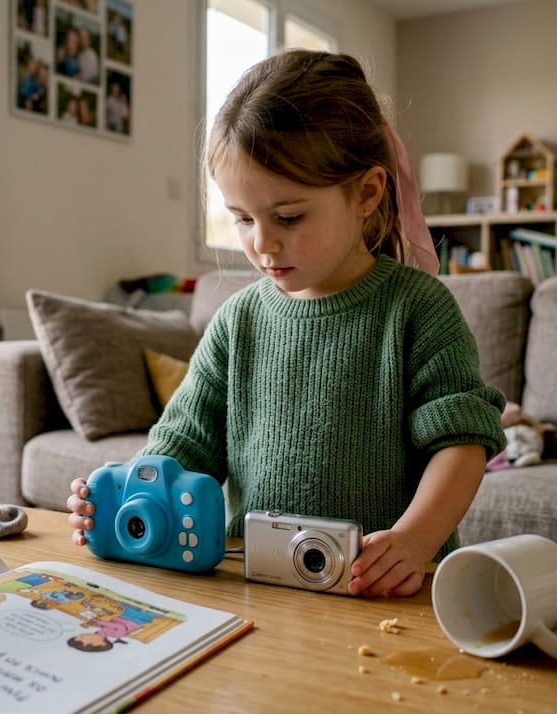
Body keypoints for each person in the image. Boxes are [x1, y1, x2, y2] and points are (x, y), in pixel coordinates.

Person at [66, 49, 506, 598]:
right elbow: (184, 439)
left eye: (288, 217)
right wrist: (131, 495)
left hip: (384, 592)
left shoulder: (418, 309)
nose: (262, 243)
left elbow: (462, 444)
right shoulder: (237, 320)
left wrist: (415, 542)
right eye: (243, 219)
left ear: (367, 193)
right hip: (256, 587)